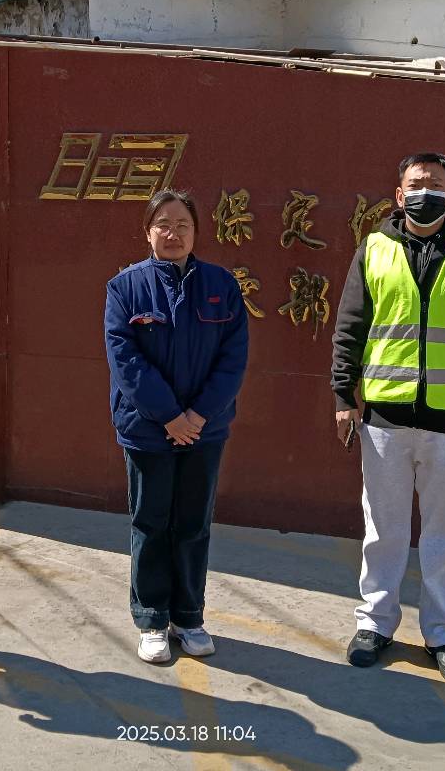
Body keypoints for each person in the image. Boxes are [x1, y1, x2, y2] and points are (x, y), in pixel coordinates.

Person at [330, 152, 445, 685]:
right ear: (398, 194)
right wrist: (343, 395)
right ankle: (374, 624)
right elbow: (350, 326)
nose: (425, 191)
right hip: (384, 416)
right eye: (415, 183)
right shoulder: (374, 248)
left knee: (443, 537)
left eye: (435, 184)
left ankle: (443, 634)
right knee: (383, 531)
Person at [104, 189, 249, 664]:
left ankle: (188, 617)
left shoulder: (221, 285)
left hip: (204, 431)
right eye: (163, 224)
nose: (173, 233)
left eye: (182, 224)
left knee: (192, 524)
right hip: (148, 430)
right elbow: (126, 361)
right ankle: (151, 619)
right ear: (148, 232)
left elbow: (233, 360)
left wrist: (197, 416)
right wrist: (169, 416)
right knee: (150, 523)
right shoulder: (125, 288)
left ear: (196, 232)